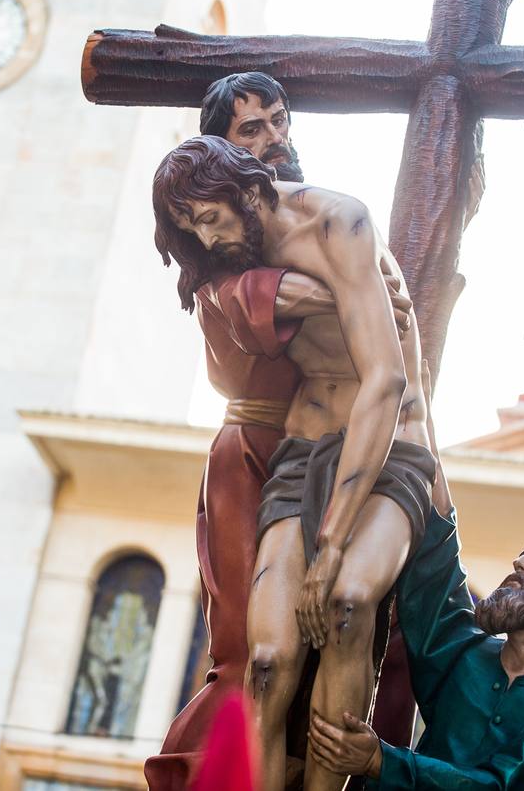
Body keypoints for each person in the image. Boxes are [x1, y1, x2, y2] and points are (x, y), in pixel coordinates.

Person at [146, 73, 418, 791]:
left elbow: (381, 369)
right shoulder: (222, 262)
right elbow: (310, 300)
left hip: (359, 444)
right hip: (257, 456)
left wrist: (372, 281)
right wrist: (369, 286)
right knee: (251, 655)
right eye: (250, 130)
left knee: (354, 627)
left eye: (277, 121)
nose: (273, 139)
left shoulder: (314, 220)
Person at [305, 367, 524, 789]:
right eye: (522, 554)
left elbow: (504, 788)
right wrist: (418, 410)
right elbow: (438, 561)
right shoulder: (465, 655)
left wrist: (383, 763)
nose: (520, 563)